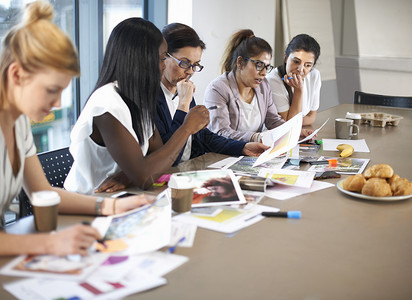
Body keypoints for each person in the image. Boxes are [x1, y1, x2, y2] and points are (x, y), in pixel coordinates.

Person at [0, 1, 149, 257]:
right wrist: (49, 244)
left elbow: (42, 192)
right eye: (51, 90)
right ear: (16, 75)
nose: (57, 104)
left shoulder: (18, 122)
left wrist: (110, 207)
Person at [64, 18, 209, 195]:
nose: (164, 66)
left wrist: (127, 176)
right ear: (142, 60)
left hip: (124, 198)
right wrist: (186, 127)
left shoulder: (136, 98)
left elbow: (162, 156)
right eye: (163, 58)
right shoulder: (107, 103)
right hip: (89, 203)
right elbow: (144, 177)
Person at [157, 23, 269, 166]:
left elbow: (202, 136)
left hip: (189, 168)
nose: (190, 71)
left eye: (195, 65)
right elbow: (168, 156)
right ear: (163, 57)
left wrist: (242, 147)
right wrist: (183, 105)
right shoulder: (153, 99)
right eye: (184, 63)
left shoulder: (183, 89)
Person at [203, 29, 286, 143]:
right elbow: (221, 132)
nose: (264, 73)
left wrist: (292, 131)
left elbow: (274, 120)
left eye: (267, 67)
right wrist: (255, 137)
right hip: (223, 155)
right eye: (259, 65)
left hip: (251, 155)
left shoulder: (264, 86)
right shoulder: (217, 89)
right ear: (240, 62)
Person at [267, 34, 321, 125]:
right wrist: (298, 90)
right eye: (296, 61)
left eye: (308, 65)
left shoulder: (314, 75)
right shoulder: (272, 80)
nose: (300, 69)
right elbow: (289, 125)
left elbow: (312, 117)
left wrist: (294, 122)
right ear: (285, 57)